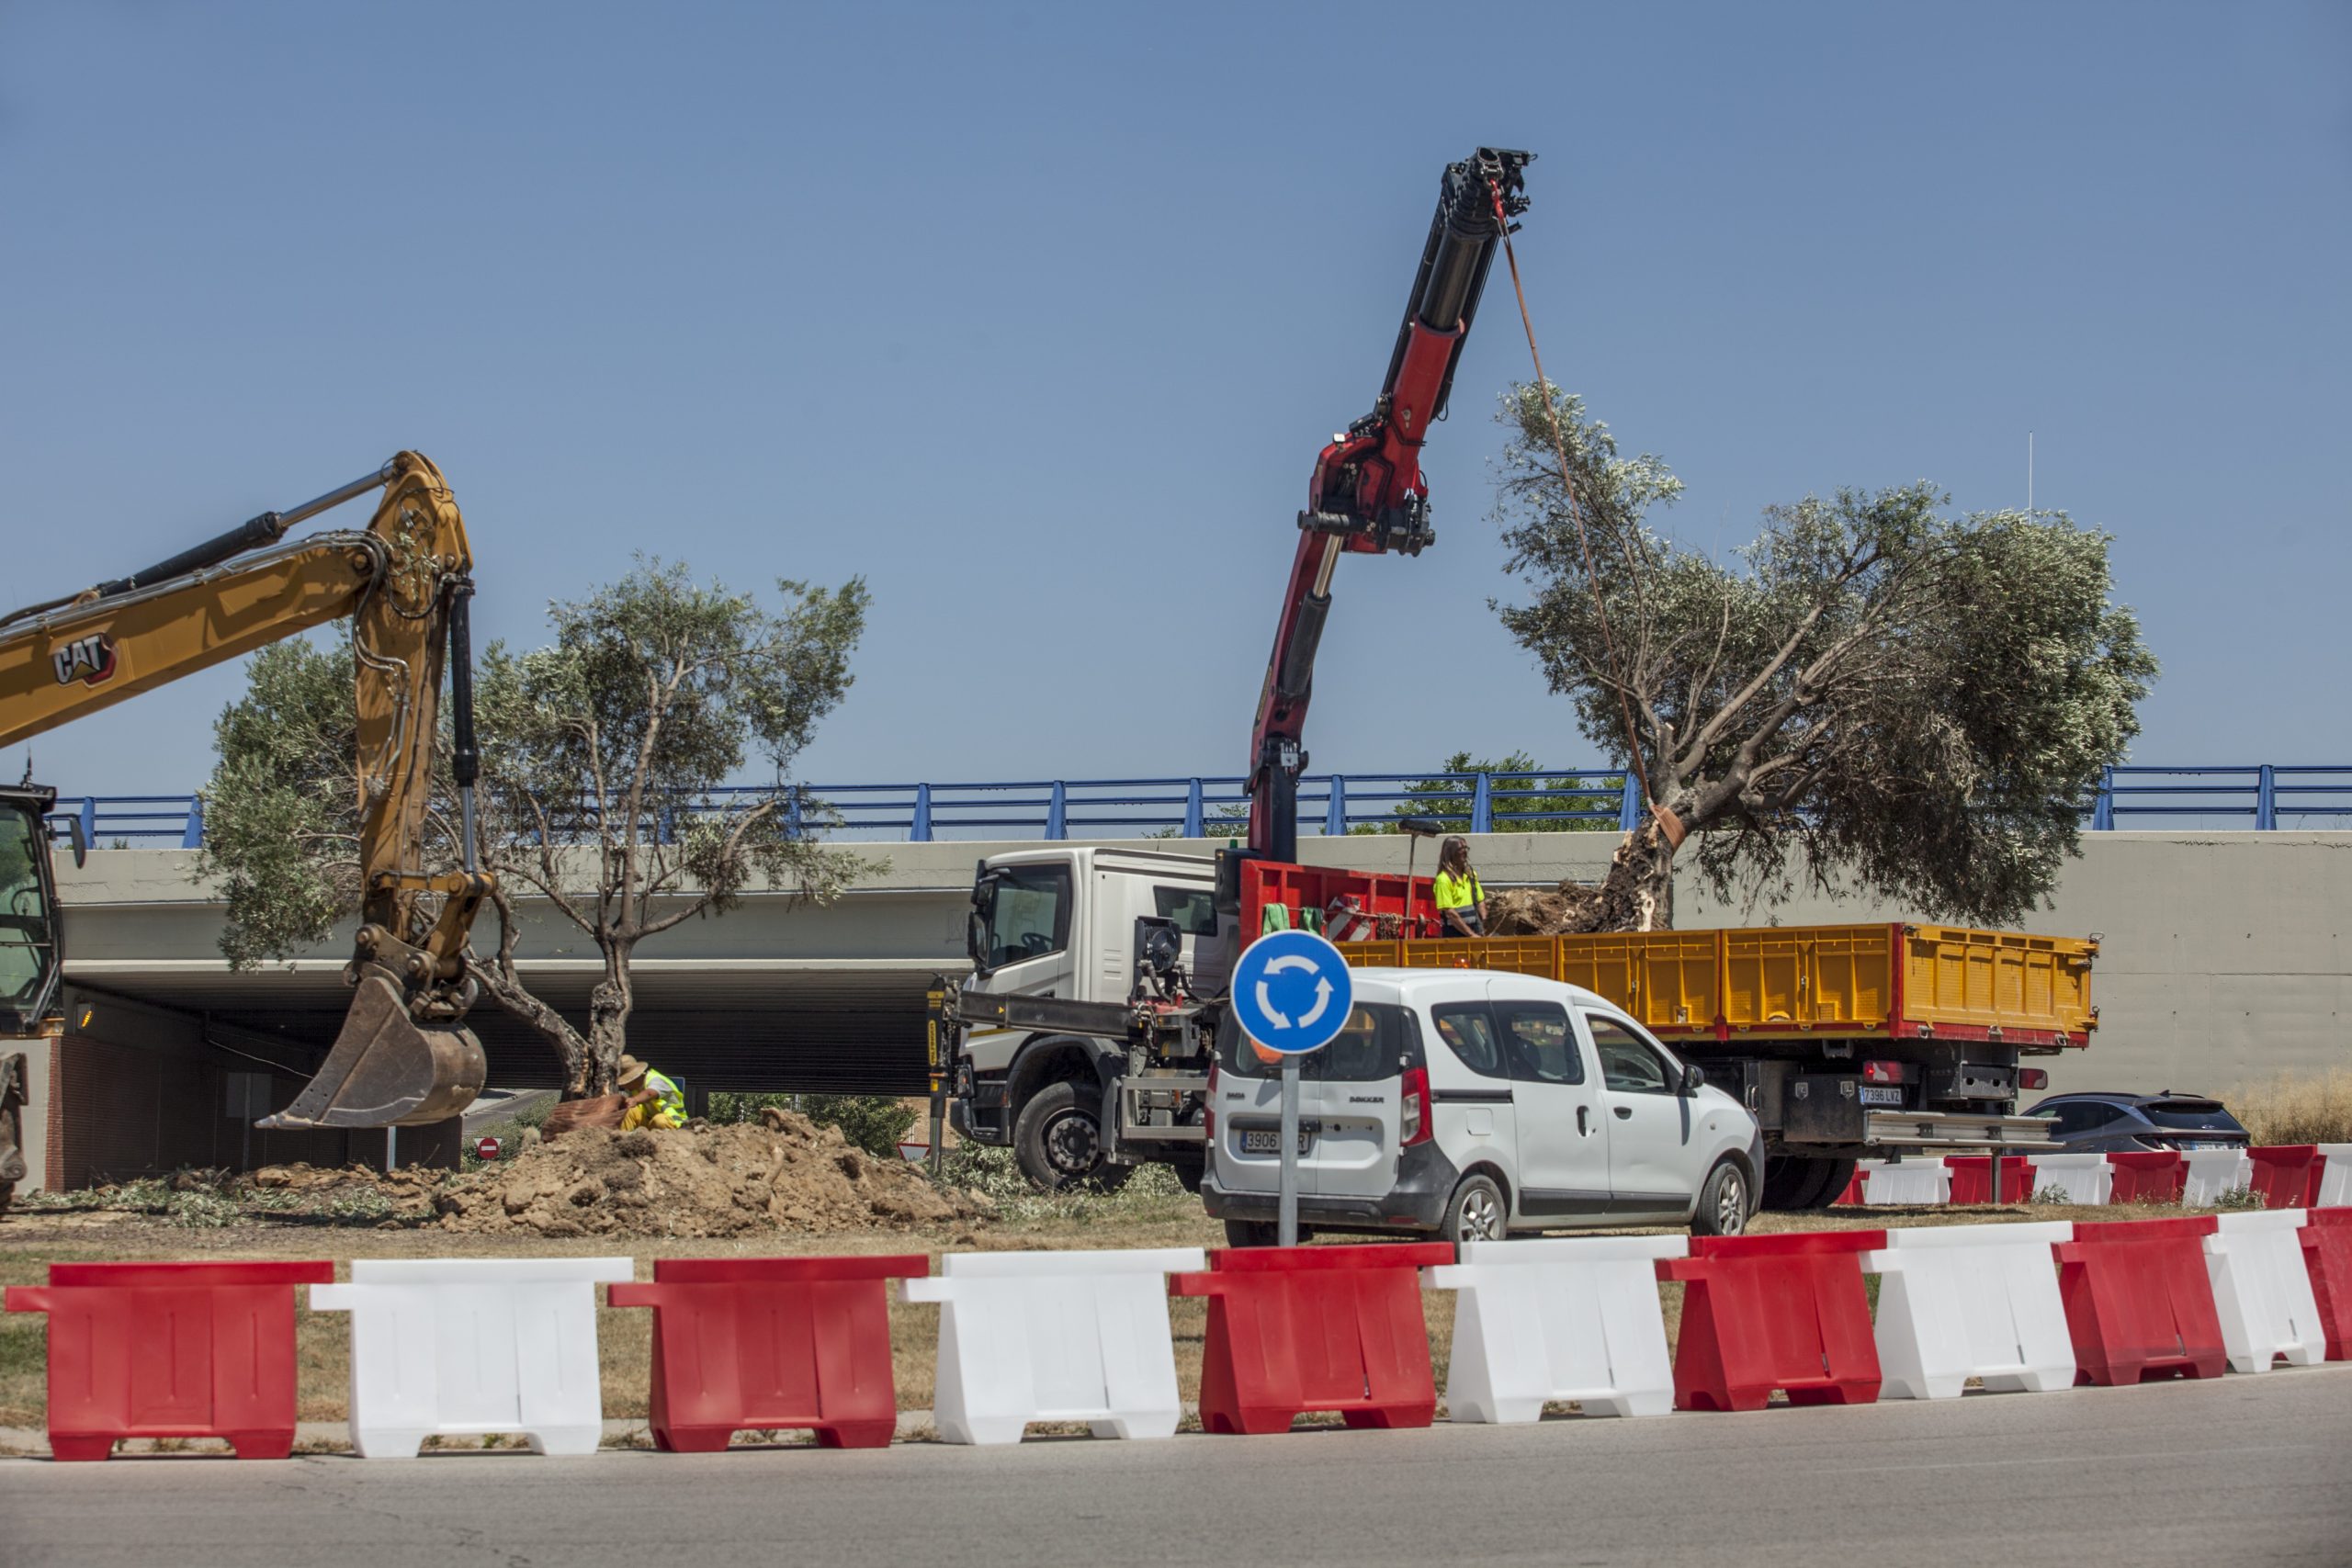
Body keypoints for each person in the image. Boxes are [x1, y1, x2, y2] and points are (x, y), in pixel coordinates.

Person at [1431, 835, 1486, 937]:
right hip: (1454, 934)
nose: (1465, 852)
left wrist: (1485, 926)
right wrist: (1471, 935)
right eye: (1461, 849)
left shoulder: (1470, 875)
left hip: (1474, 931)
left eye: (1466, 848)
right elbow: (1450, 913)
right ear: (1451, 853)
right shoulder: (1443, 880)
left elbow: (1480, 902)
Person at [615, 1054, 686, 1130]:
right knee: (629, 1111)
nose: (623, 1086)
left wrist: (634, 1100)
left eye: (624, 1083)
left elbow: (650, 1093)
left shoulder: (656, 1080)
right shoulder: (634, 1089)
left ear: (633, 1078)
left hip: (673, 1121)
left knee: (659, 1120)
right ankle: (625, 1137)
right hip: (649, 1121)